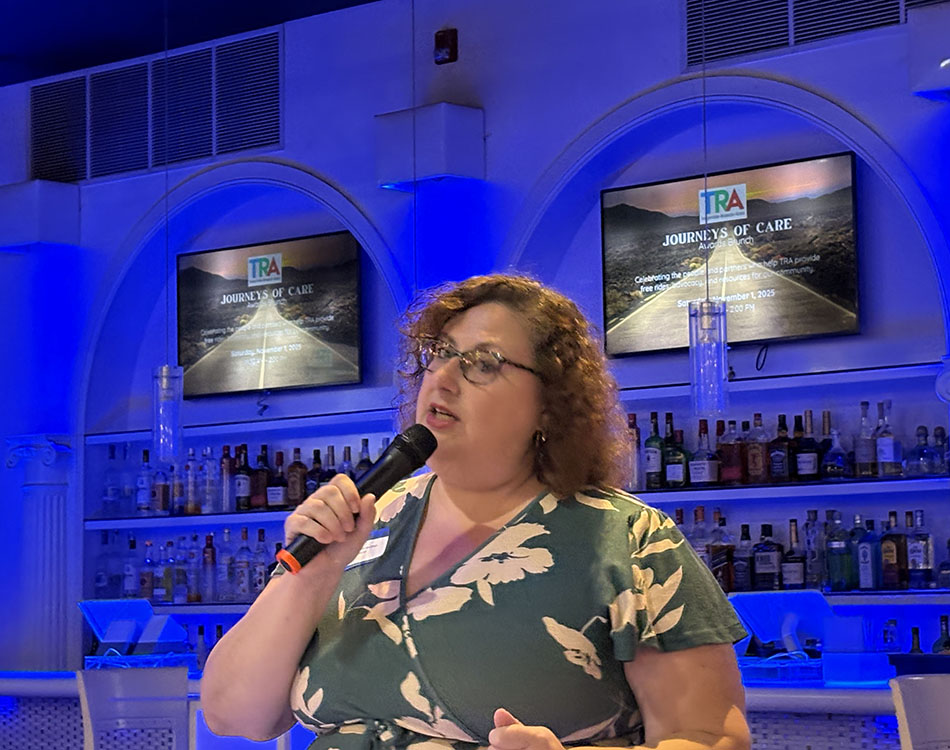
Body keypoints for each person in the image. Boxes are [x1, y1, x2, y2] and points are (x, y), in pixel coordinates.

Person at [202, 274, 751, 750]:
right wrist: (312, 576)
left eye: (481, 363)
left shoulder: (629, 539)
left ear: (549, 404)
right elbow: (234, 716)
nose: (441, 377)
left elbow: (713, 738)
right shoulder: (363, 522)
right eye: (438, 354)